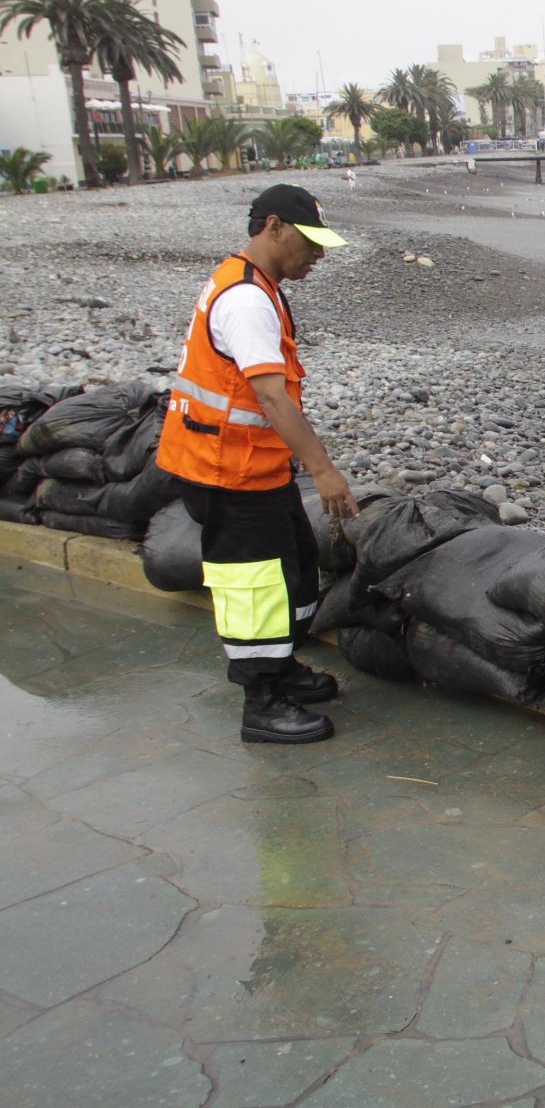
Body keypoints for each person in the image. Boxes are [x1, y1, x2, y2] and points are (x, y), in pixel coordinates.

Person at [155, 184, 358, 745]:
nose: (317, 255)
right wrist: (323, 470)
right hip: (227, 472)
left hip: (255, 468)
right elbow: (270, 396)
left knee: (292, 570)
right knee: (254, 587)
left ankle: (282, 670)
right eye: (309, 242)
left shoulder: (259, 286)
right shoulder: (245, 299)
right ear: (274, 227)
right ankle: (261, 700)